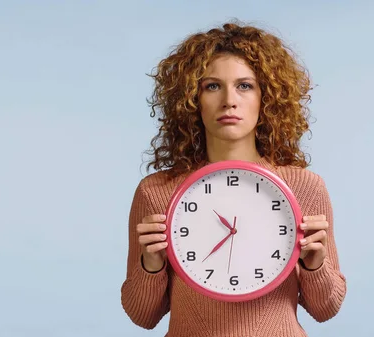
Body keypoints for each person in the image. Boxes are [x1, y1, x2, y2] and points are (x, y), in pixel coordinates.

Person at [120, 21, 347, 336]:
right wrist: (151, 265)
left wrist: (315, 264)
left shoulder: (304, 188)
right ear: (192, 99)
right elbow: (141, 316)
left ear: (265, 97)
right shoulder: (157, 193)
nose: (229, 99)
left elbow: (326, 309)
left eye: (245, 85)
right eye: (212, 86)